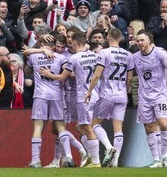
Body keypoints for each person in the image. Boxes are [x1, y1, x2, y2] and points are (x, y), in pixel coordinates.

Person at [41, 32, 101, 167]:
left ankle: (95, 161)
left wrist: (48, 74)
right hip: (95, 95)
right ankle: (90, 158)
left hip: (82, 96)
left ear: (74, 42)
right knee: (84, 126)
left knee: (86, 127)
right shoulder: (95, 56)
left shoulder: (74, 58)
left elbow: (62, 77)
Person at [85, 28, 133, 167]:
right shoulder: (128, 54)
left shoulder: (104, 53)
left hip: (107, 93)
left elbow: (96, 75)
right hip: (122, 94)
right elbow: (129, 78)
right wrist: (126, 90)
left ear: (108, 37)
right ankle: (115, 162)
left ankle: (108, 147)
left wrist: (89, 91)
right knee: (118, 128)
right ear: (120, 38)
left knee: (95, 124)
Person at [128, 29, 167, 167]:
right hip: (144, 97)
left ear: (149, 40)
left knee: (163, 124)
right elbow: (129, 73)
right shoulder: (135, 57)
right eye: (137, 41)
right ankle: (156, 159)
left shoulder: (159, 53)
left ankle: (165, 156)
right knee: (149, 126)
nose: (139, 43)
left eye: (142, 40)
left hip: (160, 95)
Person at [25, 38, 75, 168]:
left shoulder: (34, 57)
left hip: (40, 95)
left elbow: (27, 71)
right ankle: (68, 157)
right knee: (60, 125)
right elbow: (69, 72)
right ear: (53, 46)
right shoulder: (59, 57)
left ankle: (35, 161)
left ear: (42, 45)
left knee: (38, 126)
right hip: (56, 94)